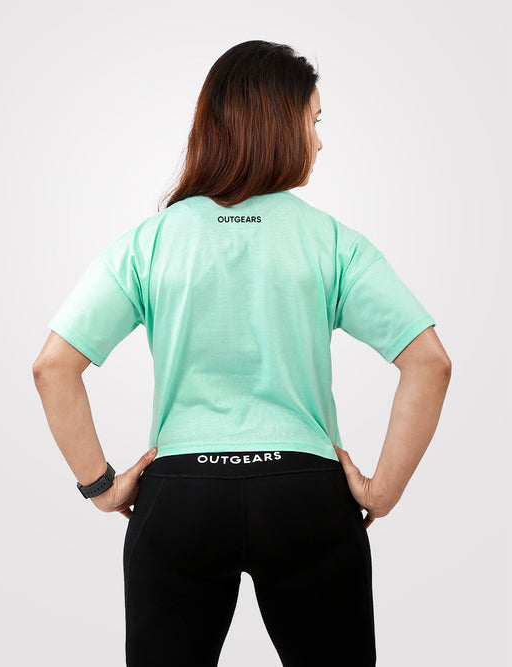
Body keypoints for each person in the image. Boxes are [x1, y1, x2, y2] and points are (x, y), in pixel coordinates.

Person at [33, 40, 451, 667]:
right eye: (314, 121)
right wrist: (382, 492)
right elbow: (429, 361)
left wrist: (101, 486)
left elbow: (53, 366)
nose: (320, 141)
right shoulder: (332, 241)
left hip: (181, 496)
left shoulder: (151, 242)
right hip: (305, 494)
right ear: (279, 126)